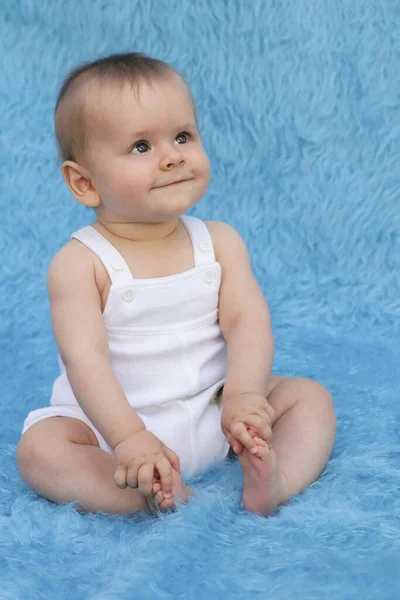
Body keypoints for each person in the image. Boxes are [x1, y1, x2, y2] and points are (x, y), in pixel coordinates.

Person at [16, 52, 336, 517]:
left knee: (310, 399)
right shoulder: (80, 264)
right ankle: (150, 496)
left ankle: (276, 480)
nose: (173, 156)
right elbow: (84, 359)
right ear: (84, 183)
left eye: (183, 136)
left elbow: (247, 322)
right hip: (114, 432)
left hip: (215, 408)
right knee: (40, 450)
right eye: (141, 147)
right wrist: (128, 437)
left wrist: (246, 396)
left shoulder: (220, 242)